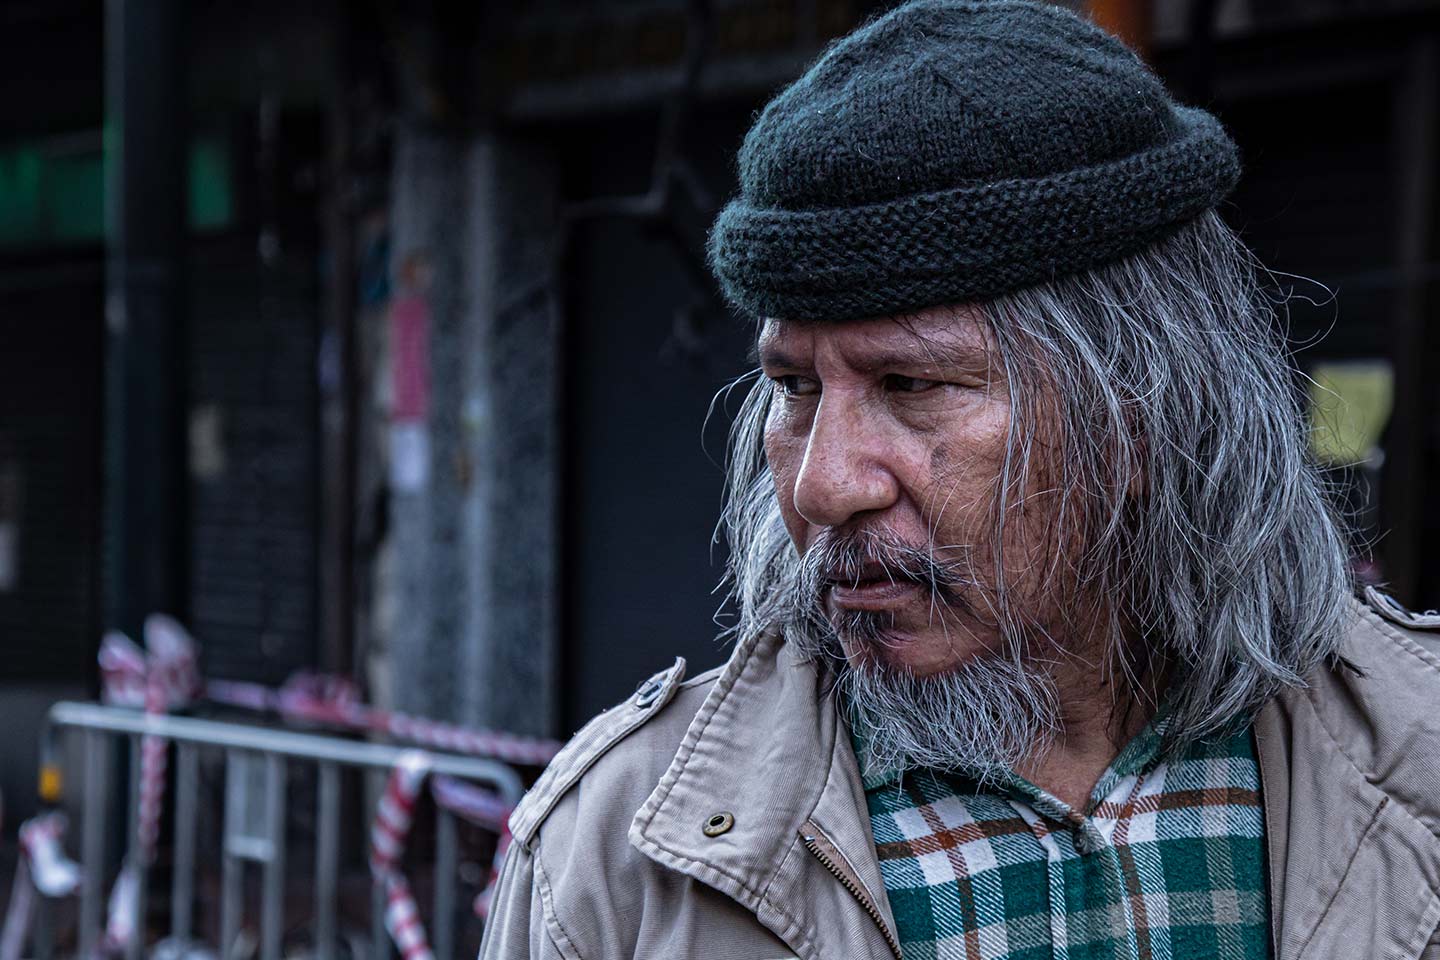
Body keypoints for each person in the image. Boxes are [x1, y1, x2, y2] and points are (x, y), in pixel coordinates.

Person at [480, 2, 1440, 957]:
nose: (823, 487)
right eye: (795, 386)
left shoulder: (1414, 756)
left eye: (911, 384)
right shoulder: (619, 853)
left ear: (1145, 408)